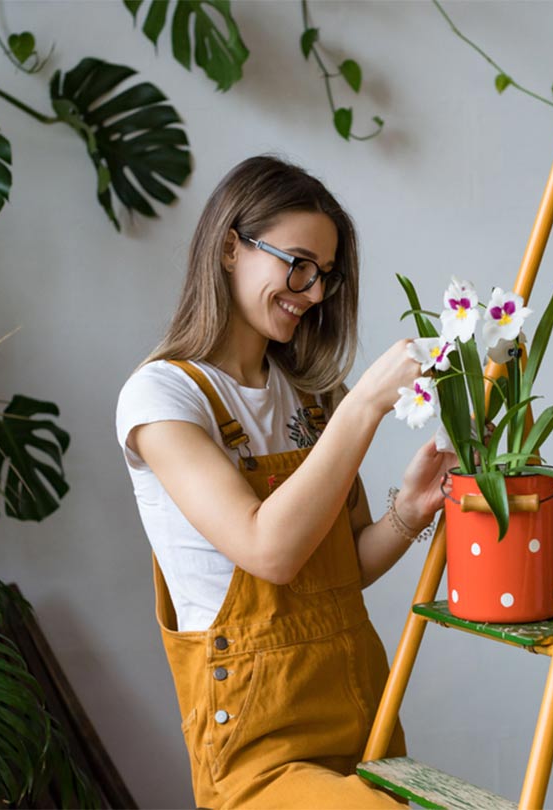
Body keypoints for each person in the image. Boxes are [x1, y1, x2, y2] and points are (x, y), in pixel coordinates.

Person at [115, 155, 454, 809]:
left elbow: (341, 570)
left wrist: (407, 515)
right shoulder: (160, 397)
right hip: (257, 746)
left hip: (359, 705)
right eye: (299, 263)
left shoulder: (314, 396)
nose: (315, 291)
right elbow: (268, 551)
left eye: (325, 274)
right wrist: (365, 408)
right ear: (229, 249)